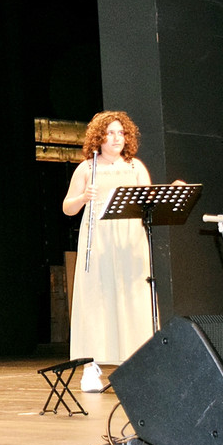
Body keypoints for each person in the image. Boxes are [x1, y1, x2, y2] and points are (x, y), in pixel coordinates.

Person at [61, 111, 156, 381]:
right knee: (96, 299)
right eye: (110, 133)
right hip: (99, 240)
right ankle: (91, 367)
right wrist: (83, 197)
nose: (116, 138)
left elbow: (149, 201)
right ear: (99, 137)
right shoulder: (87, 168)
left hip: (130, 241)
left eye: (121, 133)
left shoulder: (135, 167)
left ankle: (136, 364)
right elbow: (68, 208)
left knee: (133, 299)